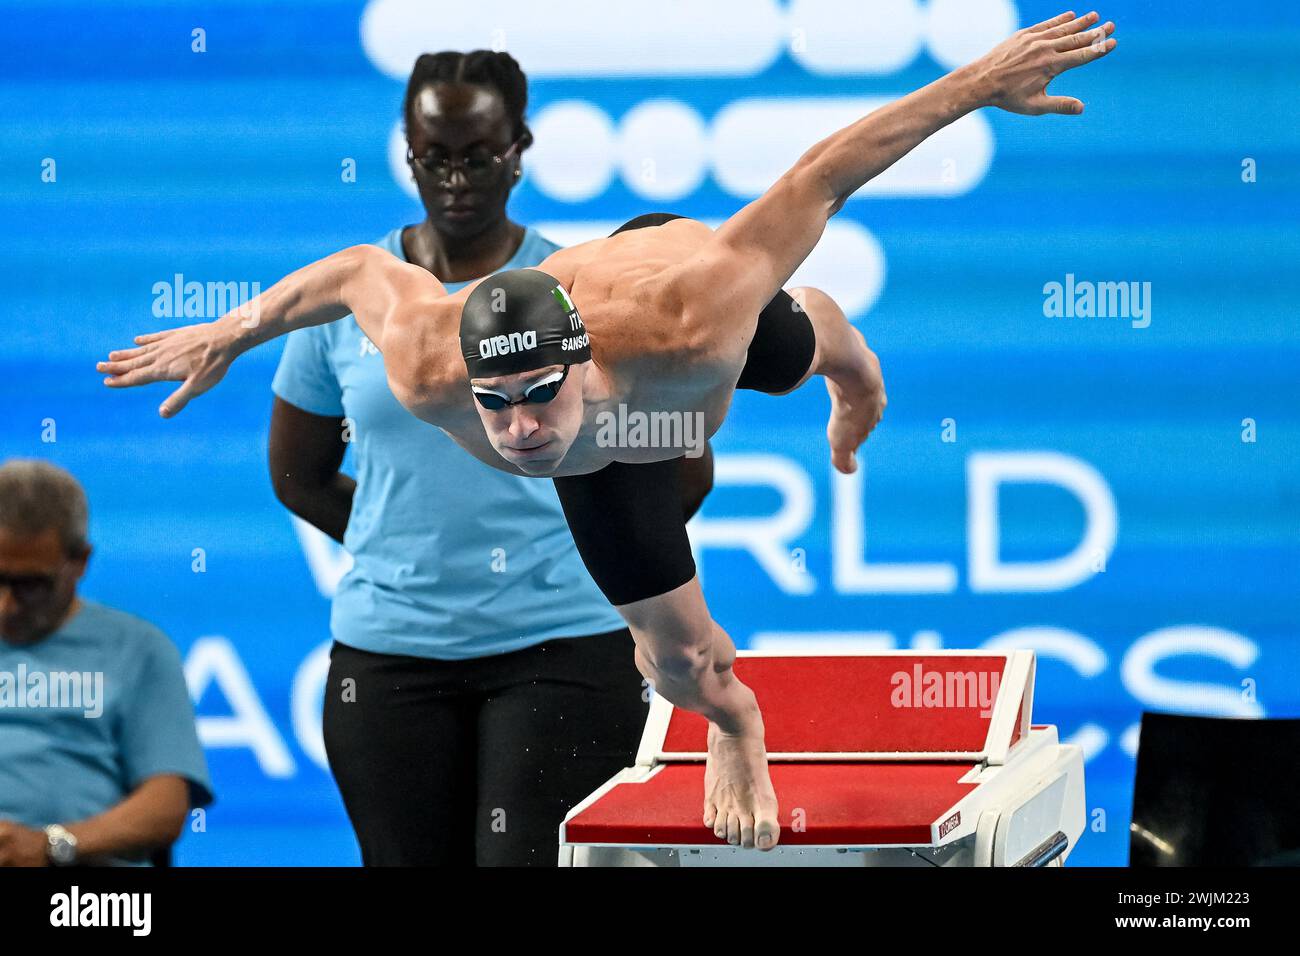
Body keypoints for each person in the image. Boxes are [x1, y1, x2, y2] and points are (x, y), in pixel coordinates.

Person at [99, 12, 1117, 851]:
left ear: (579, 361)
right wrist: (227, 332)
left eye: (540, 393)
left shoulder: (690, 315)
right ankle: (737, 720)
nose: (520, 431)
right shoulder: (427, 360)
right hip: (611, 439)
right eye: (496, 404)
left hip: (673, 339)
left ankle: (844, 353)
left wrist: (982, 78)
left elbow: (823, 173)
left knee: (786, 346)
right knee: (682, 660)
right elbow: (352, 275)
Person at [272, 50, 712, 866]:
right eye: (434, 156)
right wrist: (398, 544)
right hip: (389, 657)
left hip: (563, 646)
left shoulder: (581, 288)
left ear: (520, 148)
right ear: (408, 151)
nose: (456, 178)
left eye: (479, 155)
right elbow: (296, 474)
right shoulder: (351, 298)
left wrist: (589, 542)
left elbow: (681, 466)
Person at [0, 459, 213, 866]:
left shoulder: (138, 649)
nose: (7, 604)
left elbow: (165, 805)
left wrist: (50, 846)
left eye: (30, 584)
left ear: (80, 561)